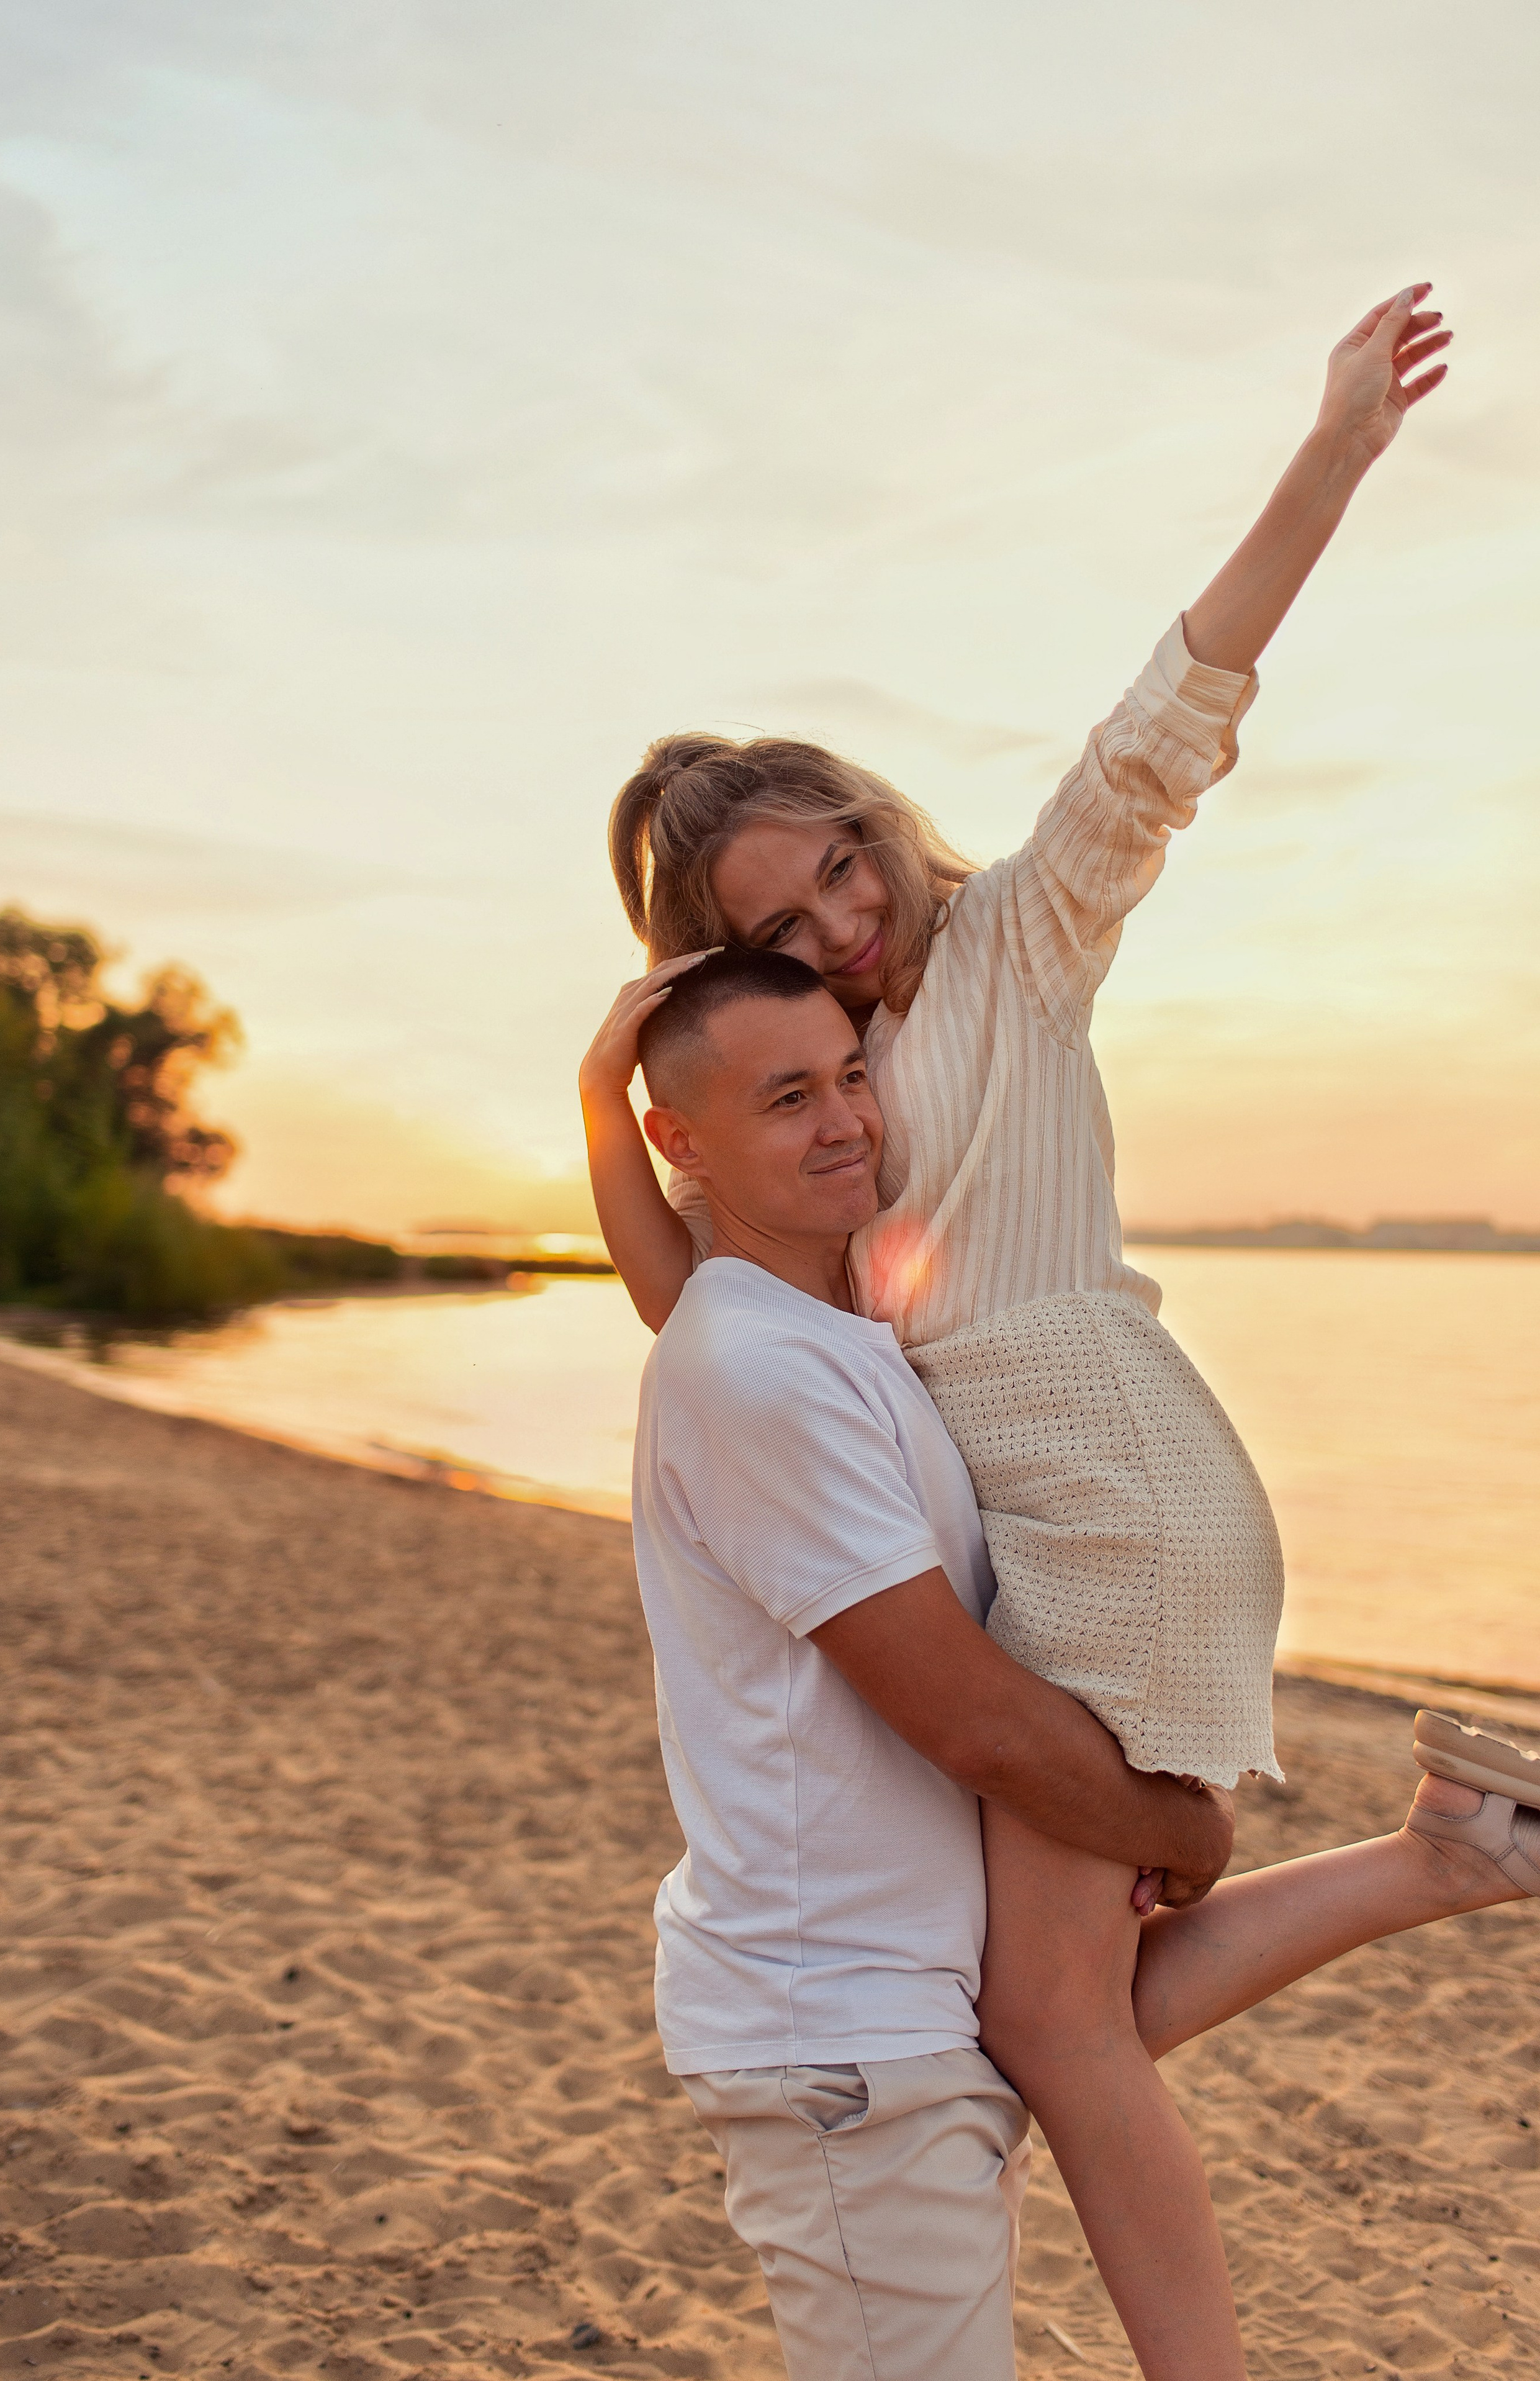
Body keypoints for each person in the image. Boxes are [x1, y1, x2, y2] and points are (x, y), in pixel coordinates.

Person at [583, 288, 1540, 2375]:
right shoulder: (813, 1130)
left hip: (1109, 1487)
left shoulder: (1016, 943)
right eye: (784, 925)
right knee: (1050, 2009)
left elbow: (1172, 712)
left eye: (845, 862)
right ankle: (1448, 1852)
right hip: (1087, 1500)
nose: (846, 921)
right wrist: (604, 1115)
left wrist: (1338, 449)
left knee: (1042, 2015)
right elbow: (708, 1314)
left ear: (876, 816)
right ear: (727, 968)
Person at [628, 946, 1538, 2381]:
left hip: (904, 2002)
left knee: (1068, 2010)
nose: (845, 1120)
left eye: (851, 1075)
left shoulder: (832, 1331)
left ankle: (1447, 1856)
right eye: (785, 1096)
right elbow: (975, 1726)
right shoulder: (756, 1367)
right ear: (678, 1138)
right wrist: (1179, 1828)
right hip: (843, 2038)